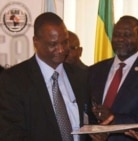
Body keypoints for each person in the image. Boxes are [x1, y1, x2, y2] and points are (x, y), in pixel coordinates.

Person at [0, 12, 93, 141]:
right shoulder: (14, 80)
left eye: (64, 42)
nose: (61, 50)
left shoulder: (80, 76)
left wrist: (98, 130)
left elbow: (88, 123)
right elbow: (11, 133)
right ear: (36, 42)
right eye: (53, 44)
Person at [88, 15, 138, 141]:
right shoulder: (95, 70)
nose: (120, 39)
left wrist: (114, 119)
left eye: (127, 35)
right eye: (117, 34)